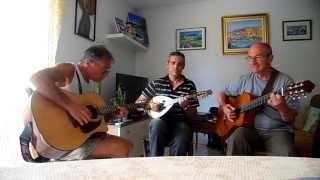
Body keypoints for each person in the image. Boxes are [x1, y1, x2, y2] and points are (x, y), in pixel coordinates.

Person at [24, 45, 132, 161]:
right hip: (60, 140)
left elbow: (92, 121)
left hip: (78, 138)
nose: (106, 73)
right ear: (89, 62)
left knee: (128, 145)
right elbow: (36, 78)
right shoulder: (70, 70)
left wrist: (113, 114)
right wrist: (71, 107)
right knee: (122, 147)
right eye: (105, 69)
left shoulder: (91, 86)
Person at [218, 42, 299, 156]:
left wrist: (281, 107)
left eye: (258, 57)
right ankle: (234, 173)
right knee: (235, 138)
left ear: (270, 58)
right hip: (249, 129)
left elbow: (290, 118)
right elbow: (222, 93)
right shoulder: (244, 79)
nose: (253, 62)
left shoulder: (286, 82)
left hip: (277, 131)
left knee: (287, 154)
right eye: (250, 58)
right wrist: (224, 106)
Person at [136, 51, 199, 156]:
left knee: (183, 130)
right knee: (156, 123)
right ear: (167, 64)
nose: (176, 66)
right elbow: (139, 102)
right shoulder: (157, 83)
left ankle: (175, 167)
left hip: (180, 123)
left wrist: (186, 106)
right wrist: (152, 107)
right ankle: (155, 163)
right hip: (161, 122)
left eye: (179, 64)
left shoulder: (189, 85)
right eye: (173, 63)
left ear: (183, 66)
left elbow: (193, 115)